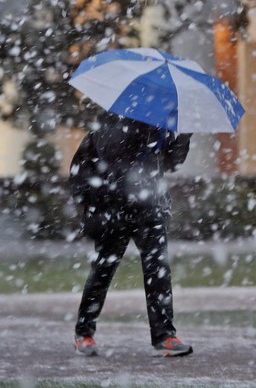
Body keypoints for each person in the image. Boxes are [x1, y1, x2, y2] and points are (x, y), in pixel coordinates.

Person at [69, 112, 193, 357]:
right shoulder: (113, 120)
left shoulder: (160, 124)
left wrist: (184, 136)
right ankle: (84, 332)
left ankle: (164, 335)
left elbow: (170, 163)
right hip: (114, 207)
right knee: (104, 269)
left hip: (149, 208)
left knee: (158, 269)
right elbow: (115, 161)